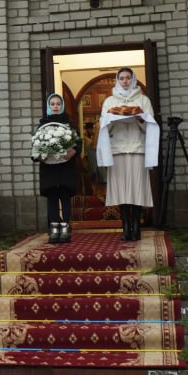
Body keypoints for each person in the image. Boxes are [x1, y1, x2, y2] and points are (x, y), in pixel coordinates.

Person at [96, 67, 159, 240]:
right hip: (117, 150)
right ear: (117, 80)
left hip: (137, 149)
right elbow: (103, 127)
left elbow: (150, 126)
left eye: (128, 78)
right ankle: (125, 228)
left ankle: (136, 227)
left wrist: (139, 118)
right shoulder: (109, 102)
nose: (125, 81)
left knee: (137, 189)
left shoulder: (143, 100)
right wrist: (111, 119)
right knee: (122, 191)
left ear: (133, 79)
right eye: (122, 78)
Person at [32, 92, 81, 244]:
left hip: (65, 167)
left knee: (65, 197)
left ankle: (65, 229)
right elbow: (35, 146)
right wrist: (40, 155)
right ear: (48, 106)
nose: (55, 106)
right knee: (52, 198)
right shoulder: (43, 124)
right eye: (52, 104)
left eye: (58, 104)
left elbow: (78, 144)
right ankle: (54, 229)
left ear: (62, 106)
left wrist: (72, 152)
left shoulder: (69, 124)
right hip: (49, 169)